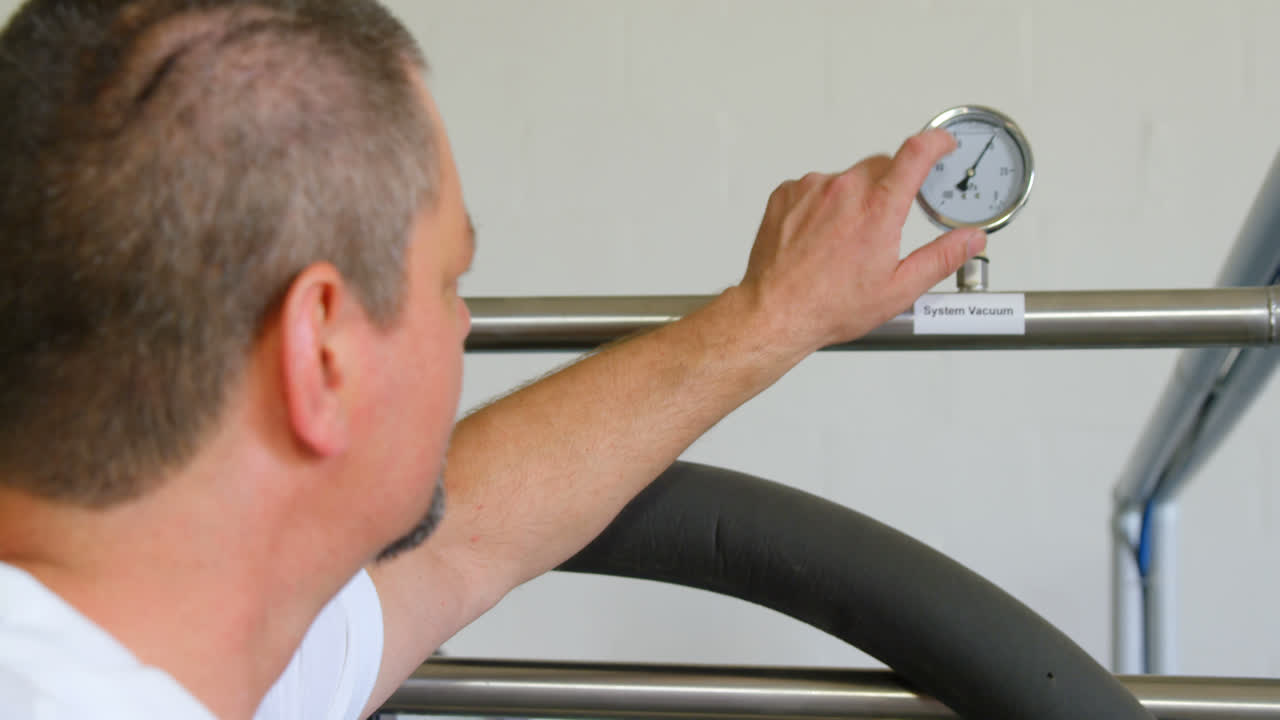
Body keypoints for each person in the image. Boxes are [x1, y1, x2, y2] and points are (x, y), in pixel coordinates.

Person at [0, 1, 986, 718]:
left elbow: (465, 535)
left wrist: (771, 316)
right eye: (447, 280)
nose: (461, 326)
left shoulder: (202, 641)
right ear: (324, 356)